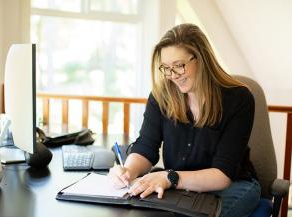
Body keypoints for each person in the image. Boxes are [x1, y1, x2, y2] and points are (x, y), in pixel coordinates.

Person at [108, 23, 261, 217]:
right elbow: (146, 147)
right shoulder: (161, 95)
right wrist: (128, 170)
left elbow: (222, 175)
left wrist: (170, 177)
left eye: (179, 66)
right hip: (179, 184)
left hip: (232, 186)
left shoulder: (239, 99)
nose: (173, 76)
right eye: (166, 68)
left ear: (201, 59)